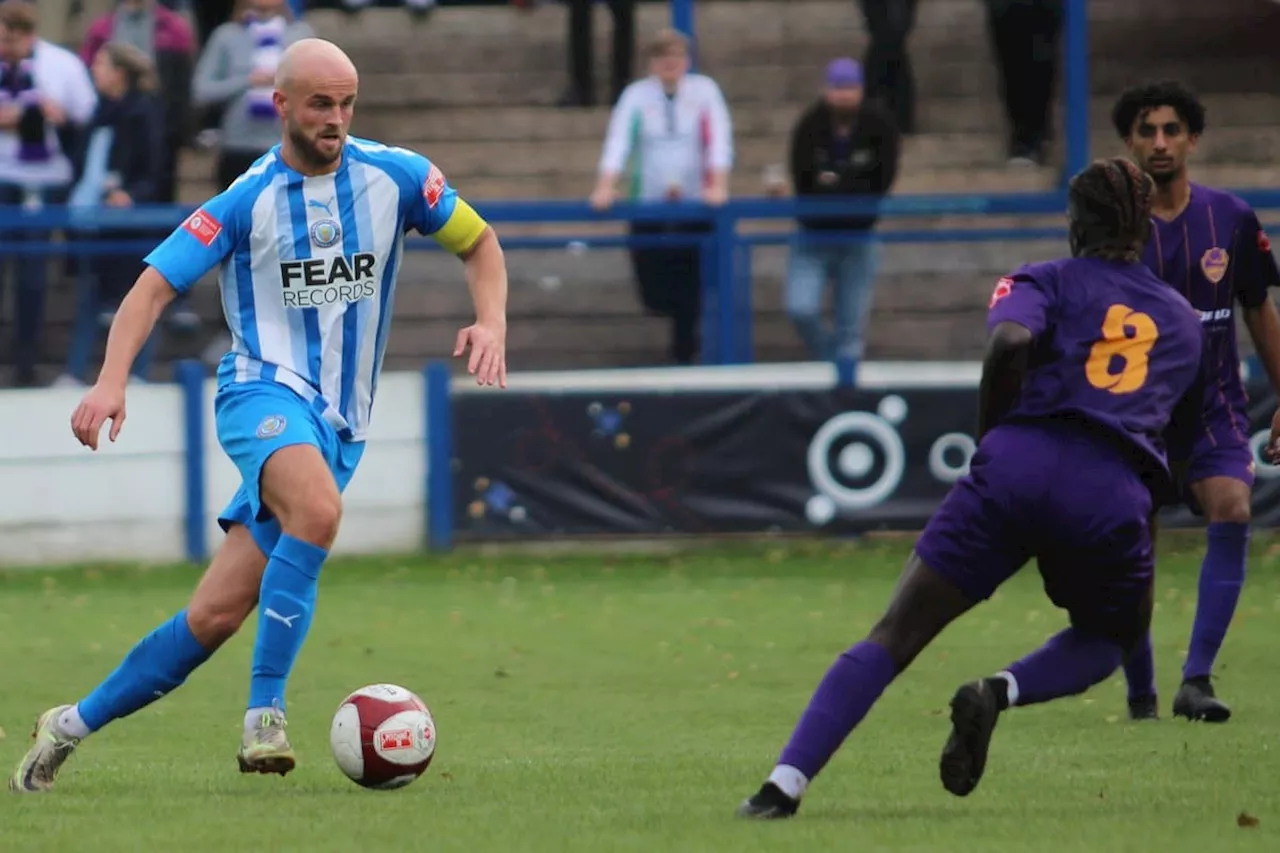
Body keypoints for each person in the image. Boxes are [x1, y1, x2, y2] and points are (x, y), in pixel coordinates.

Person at [10, 37, 509, 793]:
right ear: (280, 105)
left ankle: (68, 724)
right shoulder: (246, 199)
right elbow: (150, 288)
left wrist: (492, 321)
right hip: (260, 393)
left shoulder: (398, 176)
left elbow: (481, 243)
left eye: (346, 103)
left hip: (341, 423)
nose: (336, 118)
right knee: (317, 508)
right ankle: (264, 716)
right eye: (320, 104)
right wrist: (111, 382)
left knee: (213, 617)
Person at [736, 157, 1207, 819]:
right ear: (1146, 230)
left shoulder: (1043, 277)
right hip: (1108, 487)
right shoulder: (1185, 321)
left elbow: (1012, 337)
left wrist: (992, 437)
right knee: (1107, 639)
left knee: (897, 630)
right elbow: (1181, 439)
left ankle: (780, 787)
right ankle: (999, 689)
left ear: (1075, 227)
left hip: (1015, 463)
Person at [1112, 81, 1280, 723]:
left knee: (1233, 505)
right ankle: (1140, 691)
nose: (1160, 143)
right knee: (1131, 546)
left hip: (1213, 405)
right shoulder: (1113, 227)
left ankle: (1197, 680)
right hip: (1134, 413)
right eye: (1147, 131)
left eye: (1172, 130)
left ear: (1192, 139)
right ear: (1129, 142)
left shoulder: (1230, 219)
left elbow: (1259, 308)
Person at [780, 57, 898, 373]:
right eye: (837, 88)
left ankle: (844, 378)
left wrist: (834, 179)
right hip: (812, 234)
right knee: (800, 308)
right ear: (826, 91)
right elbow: (803, 179)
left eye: (850, 88)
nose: (844, 95)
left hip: (859, 235)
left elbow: (882, 179)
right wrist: (848, 180)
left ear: (860, 90)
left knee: (851, 326)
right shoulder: (810, 125)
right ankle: (829, 360)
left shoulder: (878, 125)